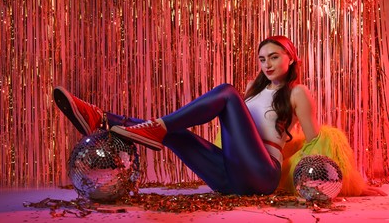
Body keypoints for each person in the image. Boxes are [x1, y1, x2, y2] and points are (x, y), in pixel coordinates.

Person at [54, 35, 386, 196]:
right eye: (261, 59)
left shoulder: (297, 92)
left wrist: (293, 159)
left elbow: (314, 140)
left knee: (225, 92)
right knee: (179, 136)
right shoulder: (253, 94)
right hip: (231, 176)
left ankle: (157, 126)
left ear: (291, 59)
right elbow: (241, 129)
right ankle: (101, 119)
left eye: (273, 56)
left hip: (262, 175)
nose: (266, 64)